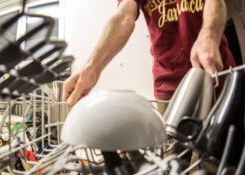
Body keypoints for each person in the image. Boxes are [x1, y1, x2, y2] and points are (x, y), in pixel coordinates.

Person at [62, 0, 235, 112]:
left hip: (216, 75)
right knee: (172, 162)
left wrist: (208, 35)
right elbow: (124, 17)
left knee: (224, 160)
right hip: (168, 87)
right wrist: (93, 67)